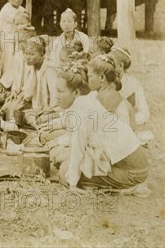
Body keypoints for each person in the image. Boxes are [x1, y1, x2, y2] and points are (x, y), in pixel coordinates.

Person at [58, 64, 148, 193]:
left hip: (133, 173)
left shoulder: (80, 111)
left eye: (60, 91)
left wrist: (72, 184)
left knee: (64, 170)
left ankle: (123, 186)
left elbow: (78, 149)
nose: (56, 96)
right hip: (136, 166)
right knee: (68, 163)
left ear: (76, 92)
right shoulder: (86, 101)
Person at [87, 54, 136, 130]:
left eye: (90, 76)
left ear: (102, 78)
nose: (87, 80)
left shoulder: (109, 97)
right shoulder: (105, 93)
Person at [19, 36, 60, 129]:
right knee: (15, 113)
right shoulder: (33, 67)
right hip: (38, 109)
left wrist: (48, 113)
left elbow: (56, 98)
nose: (27, 57)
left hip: (51, 110)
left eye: (32, 54)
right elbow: (28, 88)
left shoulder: (49, 70)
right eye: (26, 53)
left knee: (37, 121)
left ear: (41, 54)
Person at [109, 47, 149, 125]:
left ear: (120, 66)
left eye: (111, 65)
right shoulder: (107, 81)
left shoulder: (134, 85)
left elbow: (144, 113)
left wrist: (126, 121)